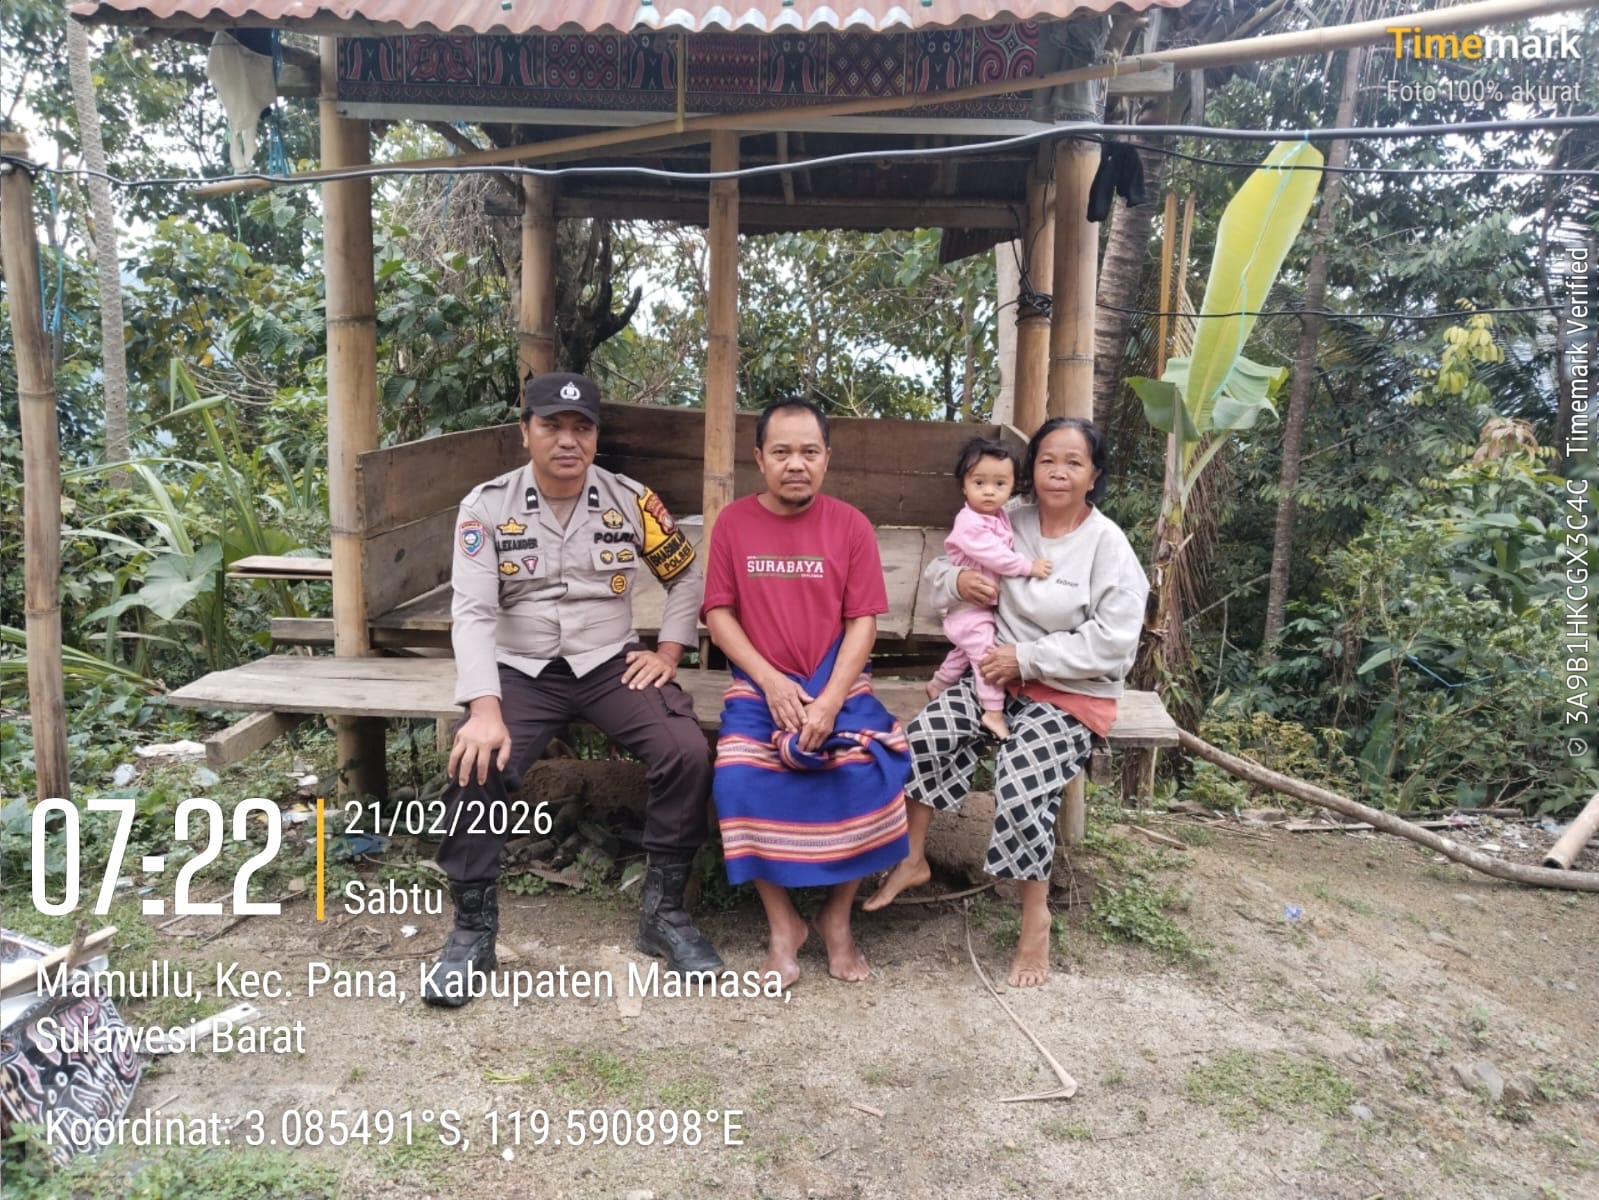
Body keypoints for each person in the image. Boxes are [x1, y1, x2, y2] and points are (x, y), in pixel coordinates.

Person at [424, 372, 723, 1007]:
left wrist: (669, 651)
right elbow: (472, 612)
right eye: (552, 426)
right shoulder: (486, 507)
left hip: (610, 663)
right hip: (521, 668)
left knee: (685, 752)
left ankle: (665, 915)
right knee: (477, 762)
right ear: (525, 432)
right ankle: (472, 932)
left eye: (581, 428)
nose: (567, 440)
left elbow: (685, 576)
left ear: (595, 435)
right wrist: (483, 708)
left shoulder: (631, 501)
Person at [864, 417, 1148, 989]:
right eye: (1047, 460)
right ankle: (913, 860)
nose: (1058, 472)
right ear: (1029, 471)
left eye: (1073, 462)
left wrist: (1027, 658)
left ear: (1094, 475)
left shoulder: (1108, 546)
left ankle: (1034, 918)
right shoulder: (1005, 519)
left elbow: (1115, 644)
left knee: (1019, 786)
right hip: (994, 679)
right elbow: (944, 569)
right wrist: (957, 584)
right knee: (922, 741)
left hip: (1069, 693)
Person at [701, 399, 911, 986]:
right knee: (736, 777)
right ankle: (783, 927)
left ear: (826, 458)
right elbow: (718, 615)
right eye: (782, 452)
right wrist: (770, 681)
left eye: (809, 452)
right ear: (759, 458)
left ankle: (836, 917)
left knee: (870, 772)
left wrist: (829, 701)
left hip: (837, 684)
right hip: (758, 687)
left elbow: (863, 622)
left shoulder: (851, 525)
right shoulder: (733, 524)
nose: (796, 463)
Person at [927, 437, 1053, 741]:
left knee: (963, 652)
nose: (989, 491)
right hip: (968, 609)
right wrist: (1028, 567)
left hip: (979, 609)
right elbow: (996, 556)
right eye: (979, 482)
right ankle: (993, 711)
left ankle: (938, 684)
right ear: (963, 485)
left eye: (999, 484)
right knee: (986, 656)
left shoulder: (1000, 516)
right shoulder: (969, 523)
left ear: (1012, 487)